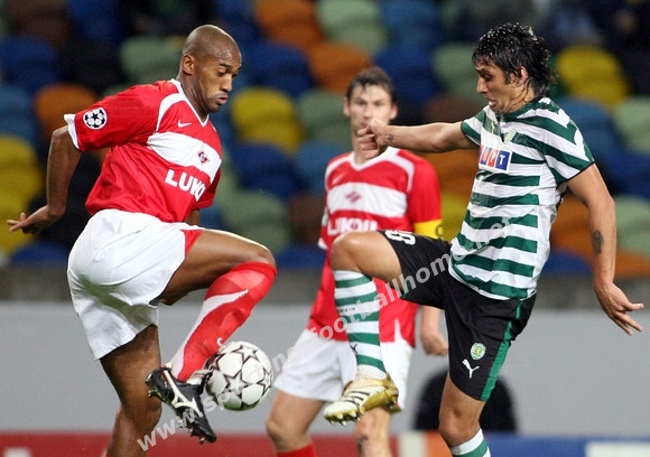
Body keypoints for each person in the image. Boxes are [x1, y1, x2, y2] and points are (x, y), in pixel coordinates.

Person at [322, 22, 644, 457]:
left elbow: (601, 201)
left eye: (487, 76)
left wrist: (603, 280)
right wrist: (389, 135)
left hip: (496, 300)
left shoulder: (553, 126)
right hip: (454, 266)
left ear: (519, 75)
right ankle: (371, 375)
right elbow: (444, 136)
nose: (479, 87)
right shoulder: (494, 117)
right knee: (349, 250)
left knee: (455, 427)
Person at [7, 25, 277, 455]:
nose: (228, 83)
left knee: (143, 411)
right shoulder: (155, 102)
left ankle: (170, 382)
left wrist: (181, 281)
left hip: (118, 266)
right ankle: (184, 373)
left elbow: (190, 218)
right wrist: (55, 210)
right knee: (260, 260)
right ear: (189, 63)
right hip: (118, 237)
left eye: (234, 75)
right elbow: (67, 137)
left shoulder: (212, 146)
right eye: (221, 70)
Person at [265, 67, 449, 457]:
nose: (369, 112)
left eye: (378, 104)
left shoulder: (415, 171)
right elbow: (333, 251)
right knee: (283, 428)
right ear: (346, 107)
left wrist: (430, 324)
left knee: (369, 434)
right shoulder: (335, 170)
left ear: (392, 111)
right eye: (361, 103)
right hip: (326, 324)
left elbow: (431, 255)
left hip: (385, 323)